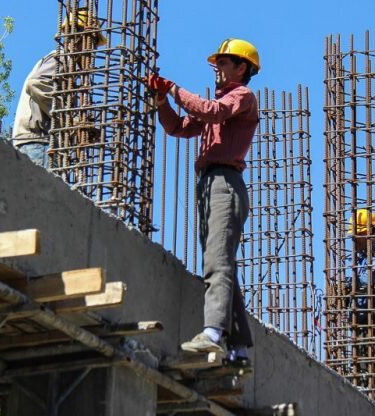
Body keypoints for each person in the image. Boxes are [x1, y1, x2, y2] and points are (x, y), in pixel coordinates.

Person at [145, 38, 260, 368]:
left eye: (224, 63)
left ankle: (212, 333)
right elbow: (177, 127)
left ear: (242, 68)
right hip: (209, 184)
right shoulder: (221, 103)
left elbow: (211, 111)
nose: (218, 69)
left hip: (225, 183)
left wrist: (174, 89)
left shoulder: (242, 97)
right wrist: (162, 100)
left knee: (217, 262)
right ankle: (239, 347)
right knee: (219, 262)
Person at [11, 7, 105, 167]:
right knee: (40, 192)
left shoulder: (68, 68)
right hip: (38, 142)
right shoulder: (63, 58)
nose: (93, 50)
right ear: (79, 36)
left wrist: (80, 131)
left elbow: (58, 118)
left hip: (40, 142)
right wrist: (71, 119)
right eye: (92, 41)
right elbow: (36, 83)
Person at [345, 209, 375, 329]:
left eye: (359, 235)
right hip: (356, 323)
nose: (355, 240)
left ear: (371, 234)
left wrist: (350, 282)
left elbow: (370, 279)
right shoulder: (353, 260)